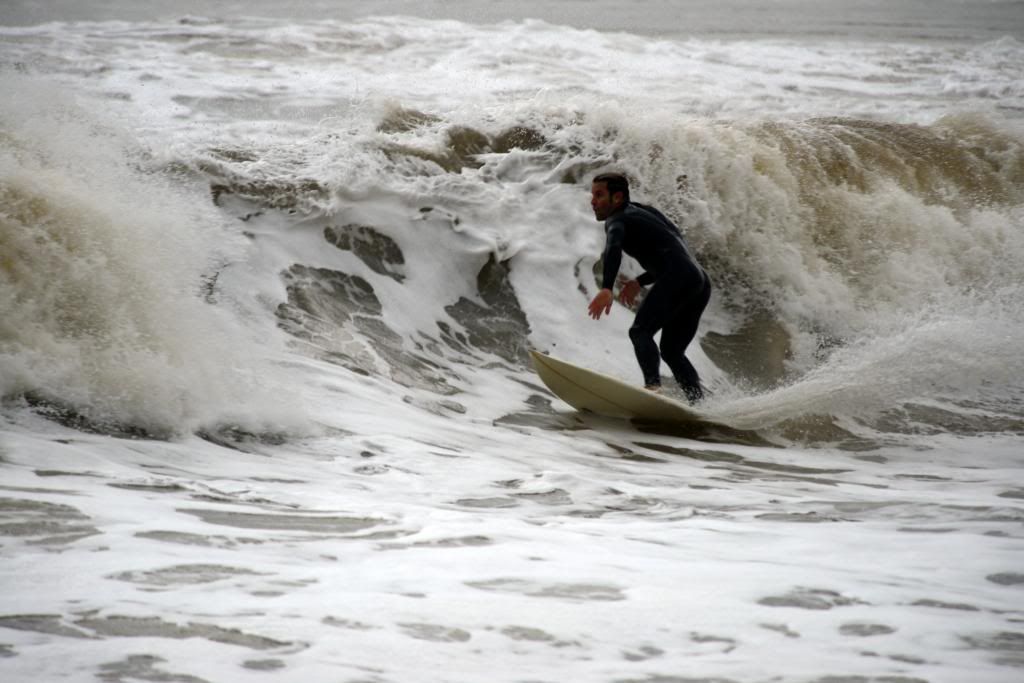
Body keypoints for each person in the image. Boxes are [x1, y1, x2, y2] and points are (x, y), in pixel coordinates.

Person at [587, 173, 711, 402]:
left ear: (617, 197)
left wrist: (606, 288)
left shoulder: (616, 220)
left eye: (599, 195)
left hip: (678, 276)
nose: (592, 201)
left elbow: (613, 246)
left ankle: (652, 389)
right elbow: (673, 247)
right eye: (592, 195)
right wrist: (639, 281)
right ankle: (699, 403)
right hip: (699, 280)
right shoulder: (645, 212)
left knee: (640, 332)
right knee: (672, 352)